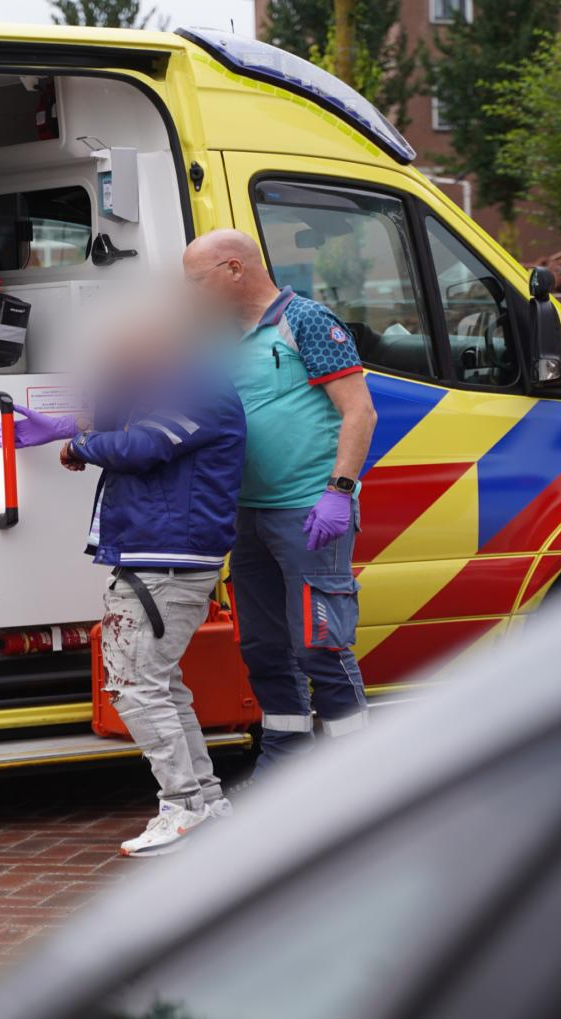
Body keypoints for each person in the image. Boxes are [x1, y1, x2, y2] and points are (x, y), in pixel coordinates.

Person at [0, 313, 246, 857]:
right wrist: (97, 405)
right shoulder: (156, 385)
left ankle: (184, 807)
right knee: (159, 684)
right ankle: (203, 802)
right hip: (151, 553)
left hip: (169, 560)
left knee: (134, 687)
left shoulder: (200, 390)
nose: (119, 359)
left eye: (128, 352)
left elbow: (140, 448)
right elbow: (109, 427)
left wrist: (81, 444)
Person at [182, 229, 378, 773]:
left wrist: (339, 492)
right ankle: (285, 767)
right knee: (264, 649)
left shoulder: (306, 321)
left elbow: (359, 412)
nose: (191, 292)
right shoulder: (213, 336)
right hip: (247, 515)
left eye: (198, 279)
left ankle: (358, 776)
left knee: (321, 646)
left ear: (234, 269)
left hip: (309, 512)